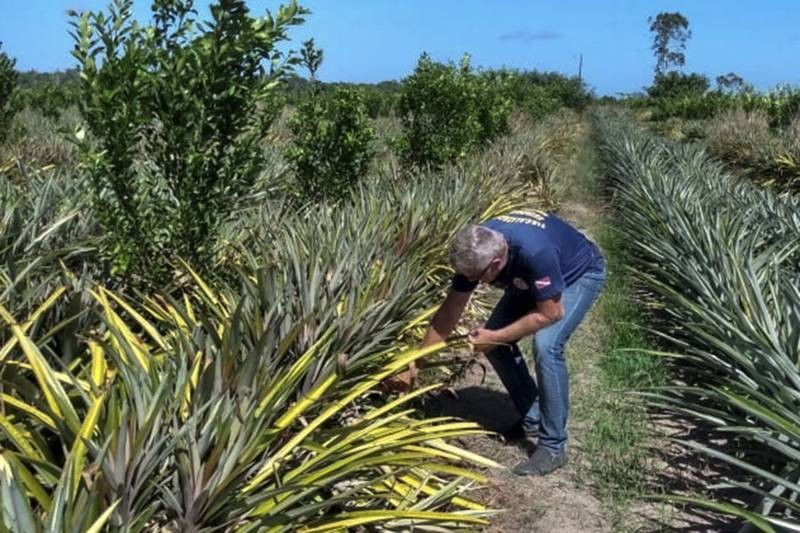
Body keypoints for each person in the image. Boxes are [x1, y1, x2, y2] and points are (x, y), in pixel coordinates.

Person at [388, 209, 606, 476]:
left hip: (577, 275)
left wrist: (496, 336)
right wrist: (415, 364)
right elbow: (450, 310)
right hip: (526, 278)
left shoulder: (535, 253)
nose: (472, 282)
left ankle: (553, 446)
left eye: (477, 277)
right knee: (493, 346)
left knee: (547, 346)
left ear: (496, 262)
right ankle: (533, 417)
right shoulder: (476, 248)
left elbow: (551, 313)